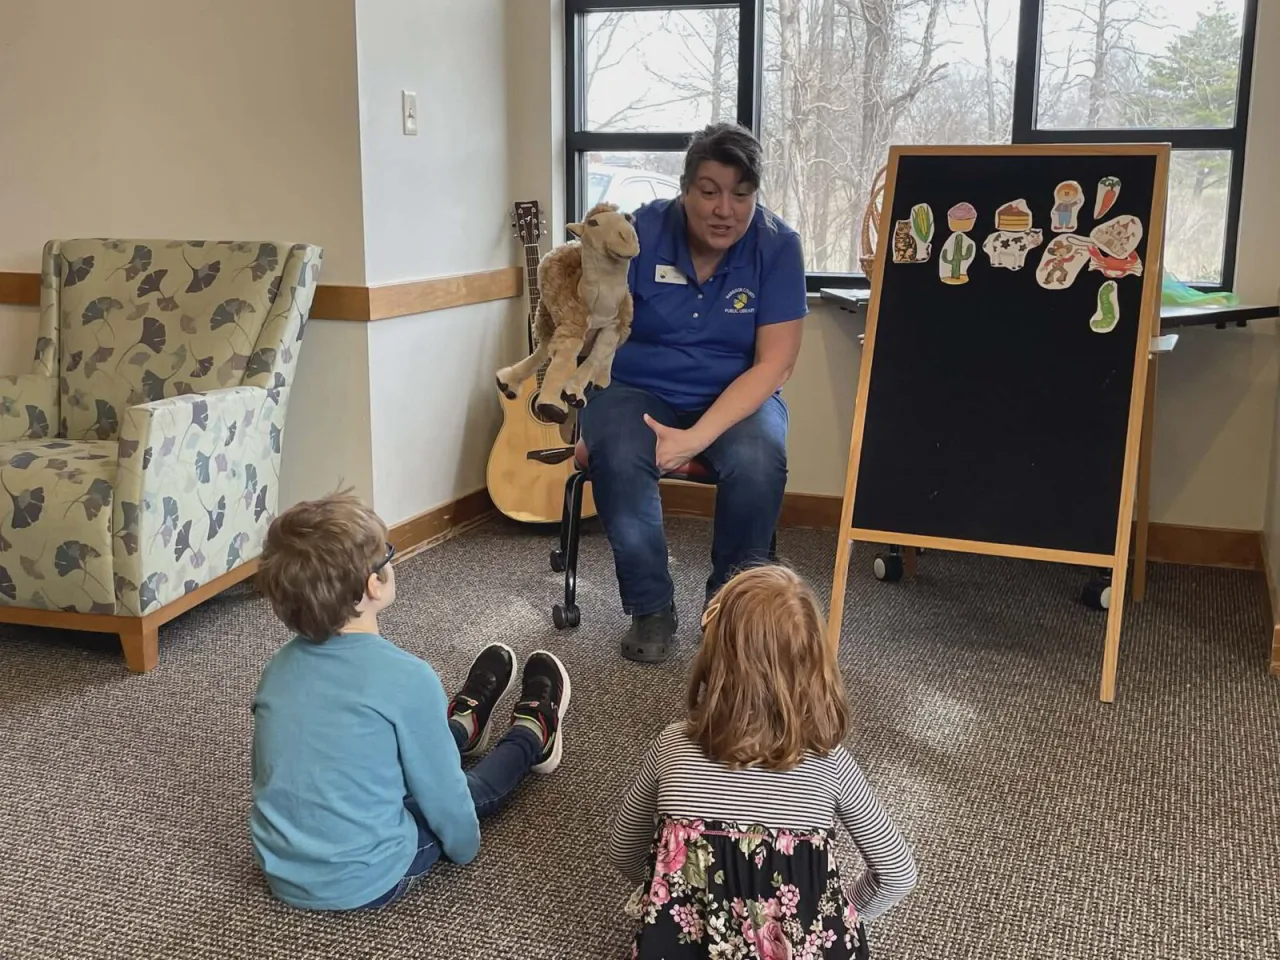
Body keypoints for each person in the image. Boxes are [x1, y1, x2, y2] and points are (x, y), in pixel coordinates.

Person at [248, 492, 571, 911]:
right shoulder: (407, 677)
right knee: (469, 788)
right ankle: (532, 735)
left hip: (282, 871)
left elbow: (271, 775)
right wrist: (464, 849)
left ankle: (461, 727)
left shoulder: (276, 669)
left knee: (385, 751)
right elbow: (446, 796)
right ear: (373, 584)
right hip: (367, 877)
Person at [578, 121, 808, 664]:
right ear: (685, 190)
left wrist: (692, 439)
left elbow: (775, 364)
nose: (724, 209)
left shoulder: (778, 247)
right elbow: (591, 329)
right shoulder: (638, 234)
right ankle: (651, 607)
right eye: (709, 192)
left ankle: (731, 610)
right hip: (637, 387)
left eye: (741, 194)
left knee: (758, 459)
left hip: (735, 393)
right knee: (615, 444)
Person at [608, 565, 918, 959]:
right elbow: (898, 874)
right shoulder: (831, 763)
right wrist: (840, 914)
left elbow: (623, 850)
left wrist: (674, 894)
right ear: (816, 665)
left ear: (715, 658)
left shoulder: (672, 746)